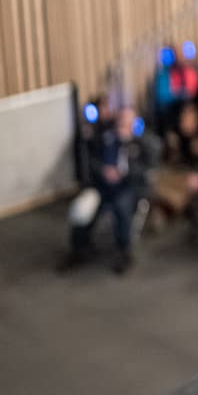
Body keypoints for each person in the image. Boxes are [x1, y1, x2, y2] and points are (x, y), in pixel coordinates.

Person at [62, 109, 147, 274]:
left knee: (121, 207)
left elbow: (146, 170)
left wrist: (124, 172)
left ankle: (125, 252)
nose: (123, 125)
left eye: (127, 122)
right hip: (102, 187)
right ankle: (79, 248)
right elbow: (90, 159)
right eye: (121, 121)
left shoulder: (141, 143)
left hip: (127, 188)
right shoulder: (105, 138)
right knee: (82, 208)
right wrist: (103, 170)